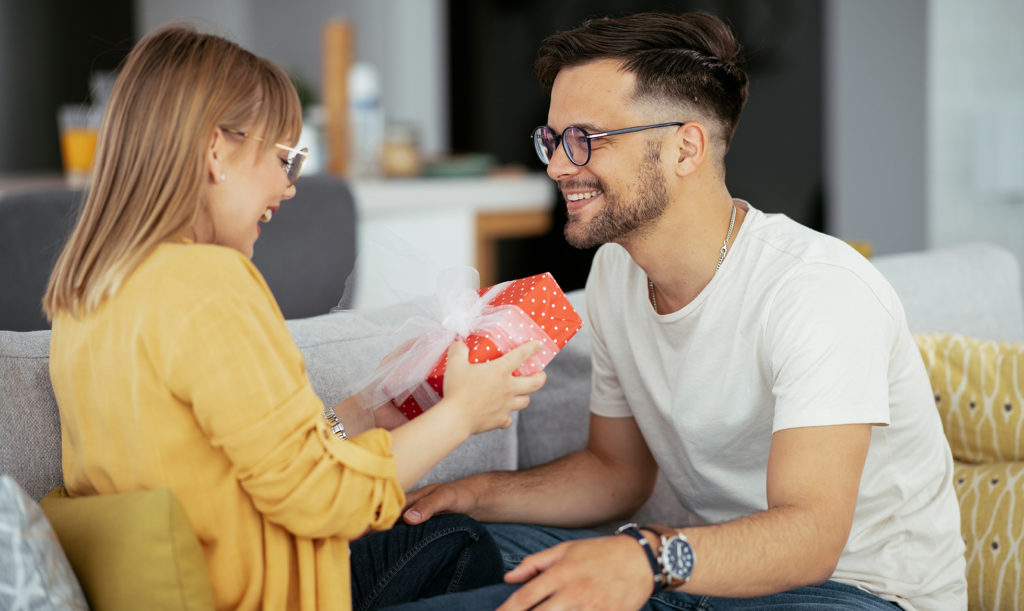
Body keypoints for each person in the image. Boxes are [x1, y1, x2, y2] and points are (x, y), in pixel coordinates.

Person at [396, 11, 967, 611]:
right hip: (702, 574)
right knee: (433, 547)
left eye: (584, 138)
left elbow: (811, 537)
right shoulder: (618, 271)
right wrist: (472, 495)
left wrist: (645, 559)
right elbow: (617, 473)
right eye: (552, 139)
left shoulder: (816, 290)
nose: (558, 166)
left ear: (684, 147)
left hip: (859, 593)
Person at [42, 26, 546, 611]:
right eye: (284, 158)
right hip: (255, 593)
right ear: (215, 150)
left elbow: (239, 472)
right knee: (460, 542)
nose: (289, 186)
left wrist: (358, 414)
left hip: (182, 579)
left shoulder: (86, 295)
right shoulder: (207, 283)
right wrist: (461, 415)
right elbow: (320, 498)